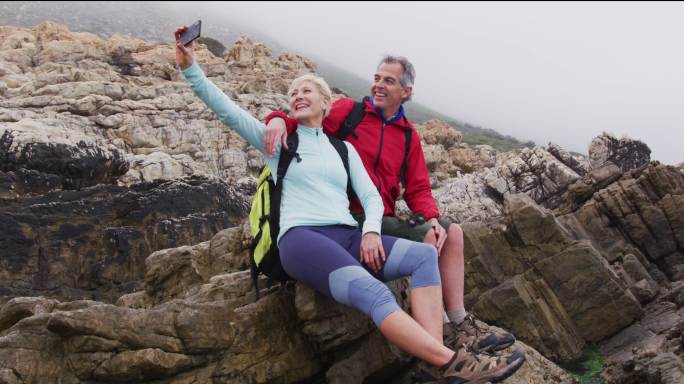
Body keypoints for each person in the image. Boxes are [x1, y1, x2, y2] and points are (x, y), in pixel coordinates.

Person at [175, 26, 524, 383]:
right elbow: (226, 110)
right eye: (293, 92)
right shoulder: (279, 143)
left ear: (327, 104)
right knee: (372, 292)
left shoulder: (343, 148)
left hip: (348, 233)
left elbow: (373, 196)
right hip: (301, 238)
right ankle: (453, 362)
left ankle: (434, 359)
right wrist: (191, 67)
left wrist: (372, 232)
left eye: (307, 90)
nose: (297, 95)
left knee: (423, 256)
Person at [263, 56, 517, 357]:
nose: (378, 85)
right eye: (377, 78)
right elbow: (306, 119)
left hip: (380, 215)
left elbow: (419, 187)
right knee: (425, 240)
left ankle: (459, 321)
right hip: (346, 216)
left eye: (389, 81)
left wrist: (433, 219)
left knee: (451, 232)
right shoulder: (349, 112)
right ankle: (444, 335)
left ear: (406, 92)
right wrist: (276, 118)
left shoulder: (408, 135)